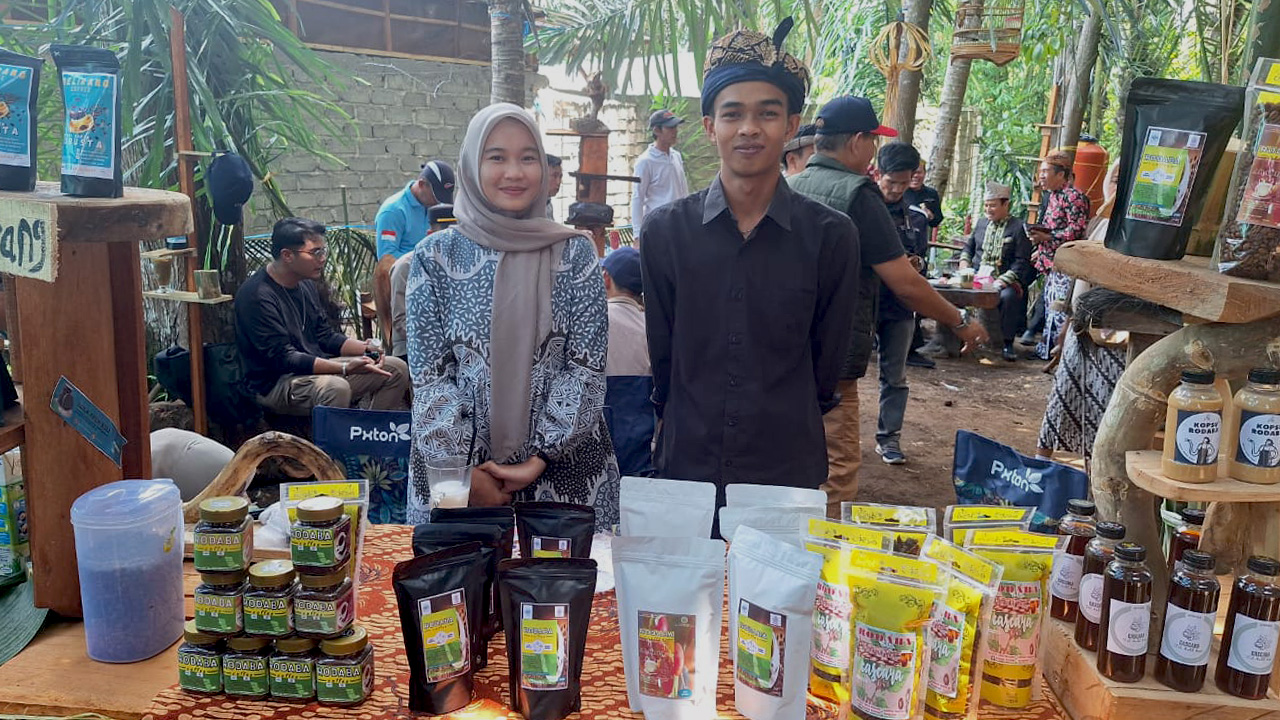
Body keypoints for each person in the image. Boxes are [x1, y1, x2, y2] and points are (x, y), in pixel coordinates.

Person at [640, 20, 859, 507]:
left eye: (767, 113)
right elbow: (663, 354)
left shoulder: (831, 237)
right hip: (688, 463)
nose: (749, 128)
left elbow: (827, 364)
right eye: (733, 113)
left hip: (784, 466)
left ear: (791, 125)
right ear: (709, 126)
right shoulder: (666, 233)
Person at [406, 103, 619, 527]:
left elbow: (586, 368)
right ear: (472, 166)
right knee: (460, 572)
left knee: (562, 570)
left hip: (563, 474)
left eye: (527, 157)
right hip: (459, 479)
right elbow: (430, 378)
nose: (514, 173)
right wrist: (468, 473)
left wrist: (540, 457)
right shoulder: (435, 257)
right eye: (496, 157)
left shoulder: (574, 253)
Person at [789, 96, 988, 507]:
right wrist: (959, 320)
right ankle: (824, 541)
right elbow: (905, 283)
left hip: (785, 348)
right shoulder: (859, 195)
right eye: (872, 141)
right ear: (857, 141)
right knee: (836, 466)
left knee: (789, 453)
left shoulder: (789, 186)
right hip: (833, 353)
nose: (874, 151)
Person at [235, 217, 410, 416]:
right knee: (335, 388)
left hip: (314, 369)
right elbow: (284, 358)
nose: (323, 258)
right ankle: (334, 437)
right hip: (276, 383)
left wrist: (367, 349)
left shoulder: (305, 284)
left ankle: (367, 430)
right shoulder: (256, 296)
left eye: (323, 251)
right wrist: (344, 367)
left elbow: (325, 336)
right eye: (315, 252)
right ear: (287, 255)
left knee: (396, 368)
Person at [870, 142, 931, 467]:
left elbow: (922, 260)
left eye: (903, 183)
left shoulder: (917, 218)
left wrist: (915, 264)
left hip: (899, 307)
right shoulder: (863, 208)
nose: (895, 189)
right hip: (862, 306)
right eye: (890, 182)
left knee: (895, 376)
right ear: (877, 173)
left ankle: (889, 438)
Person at [372, 161, 456, 341]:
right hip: (403, 289)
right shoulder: (393, 211)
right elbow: (386, 260)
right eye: (436, 195)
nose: (439, 201)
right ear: (422, 184)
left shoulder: (433, 207)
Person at [960, 181, 1035, 361]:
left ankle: (1006, 342)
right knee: (957, 293)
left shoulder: (1018, 227)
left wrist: (1001, 281)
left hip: (1005, 279)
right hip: (977, 277)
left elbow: (1021, 261)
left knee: (1008, 297)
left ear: (1005, 204)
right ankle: (960, 337)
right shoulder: (981, 223)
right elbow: (968, 248)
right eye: (986, 205)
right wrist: (964, 264)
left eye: (993, 205)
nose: (988, 209)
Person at [1030, 149, 1090, 361]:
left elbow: (1076, 230)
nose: (1041, 176)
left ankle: (1060, 355)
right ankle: (1046, 351)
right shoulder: (1052, 196)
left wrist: (1047, 237)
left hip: (1067, 265)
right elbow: (1052, 226)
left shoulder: (1075, 197)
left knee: (1060, 310)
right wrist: (1040, 246)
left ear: (1061, 174)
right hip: (1051, 263)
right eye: (1041, 171)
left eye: (1046, 171)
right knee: (1050, 309)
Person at [600, 247, 654, 475]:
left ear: (606, 278)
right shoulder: (652, 326)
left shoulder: (593, 322)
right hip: (641, 450)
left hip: (597, 446)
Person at [391, 203, 456, 362]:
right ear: (429, 234)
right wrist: (441, 344)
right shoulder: (406, 267)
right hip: (413, 350)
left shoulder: (463, 267)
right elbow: (402, 321)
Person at [631, 109, 689, 232]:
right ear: (656, 130)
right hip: (657, 227)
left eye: (675, 127)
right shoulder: (645, 162)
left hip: (678, 224)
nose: (675, 131)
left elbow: (683, 191)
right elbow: (637, 198)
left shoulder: (676, 156)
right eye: (670, 128)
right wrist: (637, 234)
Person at [904, 159, 943, 231]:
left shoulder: (931, 193)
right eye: (912, 172)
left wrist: (930, 216)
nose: (915, 175)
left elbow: (937, 220)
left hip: (921, 233)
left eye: (919, 172)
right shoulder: (899, 192)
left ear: (925, 173)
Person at [546, 154, 563, 220]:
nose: (558, 182)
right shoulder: (529, 207)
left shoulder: (548, 203)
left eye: (560, 177)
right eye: (554, 176)